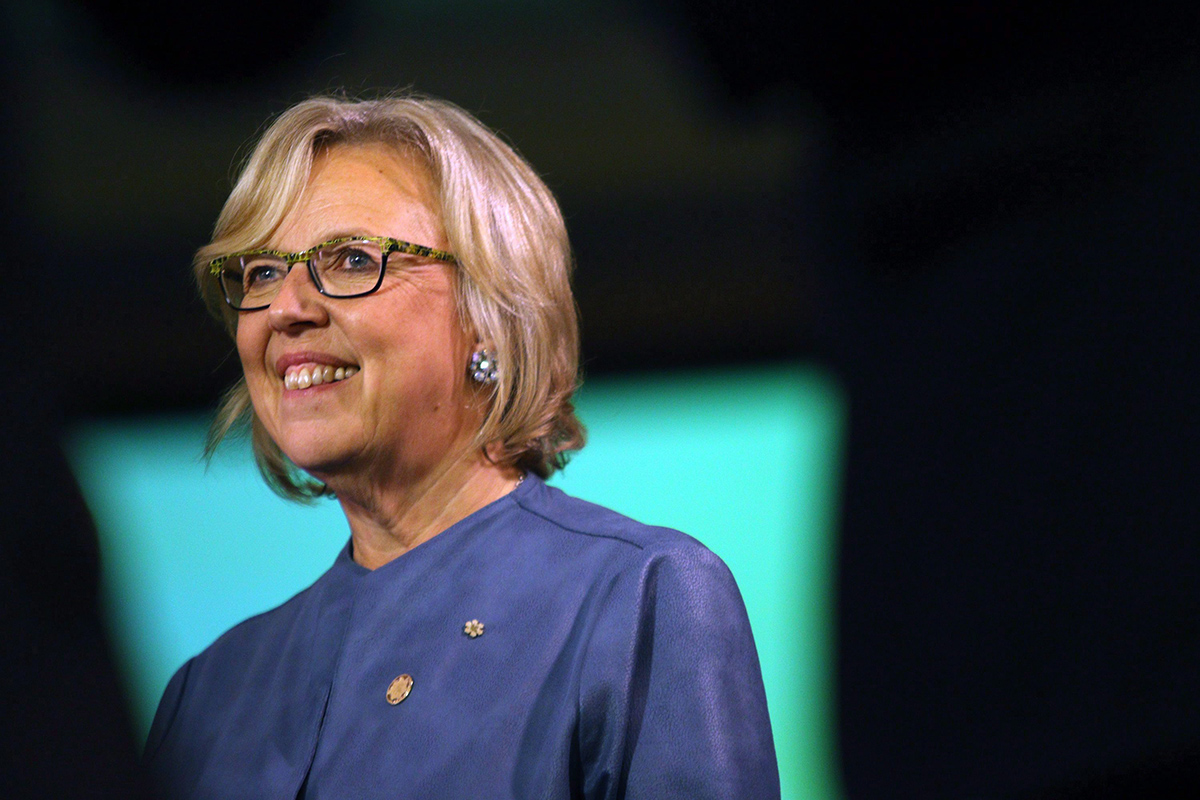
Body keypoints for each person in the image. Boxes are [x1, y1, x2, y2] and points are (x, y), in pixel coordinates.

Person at [145, 94, 779, 799]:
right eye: (261, 272)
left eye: (353, 259)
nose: (289, 308)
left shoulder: (640, 598)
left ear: (490, 314)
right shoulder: (205, 696)